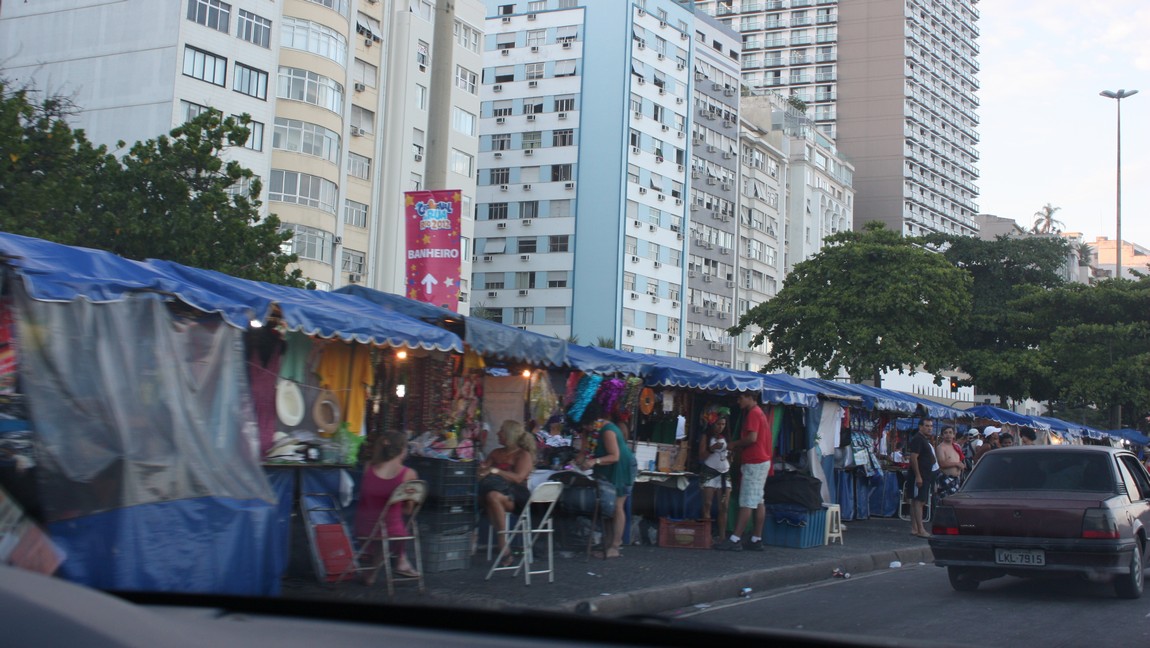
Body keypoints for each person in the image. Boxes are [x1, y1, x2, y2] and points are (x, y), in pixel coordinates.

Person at [353, 430, 420, 582]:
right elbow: (409, 510)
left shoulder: (368, 467)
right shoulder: (408, 473)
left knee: (383, 523)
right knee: (394, 522)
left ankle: (371, 574)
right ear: (403, 450)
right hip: (391, 531)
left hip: (363, 527)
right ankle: (402, 560)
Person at [714, 392, 772, 552]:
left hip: (755, 461)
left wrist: (734, 444)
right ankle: (756, 538)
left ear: (749, 397)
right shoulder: (760, 412)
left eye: (740, 398)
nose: (738, 401)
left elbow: (752, 438)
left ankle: (735, 538)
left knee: (746, 500)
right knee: (758, 500)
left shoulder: (753, 413)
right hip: (762, 461)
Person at [577, 412, 636, 559]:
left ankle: (615, 546)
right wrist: (577, 461)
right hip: (606, 469)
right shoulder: (589, 431)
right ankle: (607, 545)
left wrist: (594, 462)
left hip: (621, 468)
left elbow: (614, 456)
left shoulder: (607, 431)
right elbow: (584, 452)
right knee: (607, 507)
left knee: (617, 506)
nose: (585, 428)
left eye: (586, 425)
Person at [478, 420, 535, 565]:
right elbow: (483, 472)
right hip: (493, 494)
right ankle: (503, 546)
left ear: (509, 435)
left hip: (516, 496)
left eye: (501, 431)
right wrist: (482, 471)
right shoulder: (495, 453)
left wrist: (496, 471)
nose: (498, 434)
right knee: (491, 496)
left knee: (492, 496)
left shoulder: (523, 455)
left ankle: (503, 544)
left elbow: (518, 478)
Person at [698, 414, 732, 542]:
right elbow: (701, 456)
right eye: (718, 424)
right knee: (707, 504)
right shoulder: (706, 437)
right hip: (709, 472)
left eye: (723, 424)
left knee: (724, 506)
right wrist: (711, 449)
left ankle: (722, 537)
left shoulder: (727, 438)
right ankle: (707, 536)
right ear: (713, 424)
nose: (721, 427)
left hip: (724, 472)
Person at [907, 419, 937, 538]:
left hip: (926, 474)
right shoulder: (918, 439)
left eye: (931, 426)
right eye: (927, 426)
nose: (929, 428)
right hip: (919, 475)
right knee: (918, 502)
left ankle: (915, 528)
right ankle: (920, 529)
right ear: (920, 427)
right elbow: (913, 458)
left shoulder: (924, 440)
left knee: (918, 501)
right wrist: (918, 476)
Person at [934, 426, 964, 498]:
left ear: (954, 435)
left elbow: (960, 460)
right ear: (942, 435)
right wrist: (956, 464)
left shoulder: (957, 446)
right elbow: (942, 464)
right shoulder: (940, 448)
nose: (948, 435)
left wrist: (962, 465)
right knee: (946, 500)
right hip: (946, 478)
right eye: (945, 433)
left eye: (950, 432)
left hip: (957, 478)